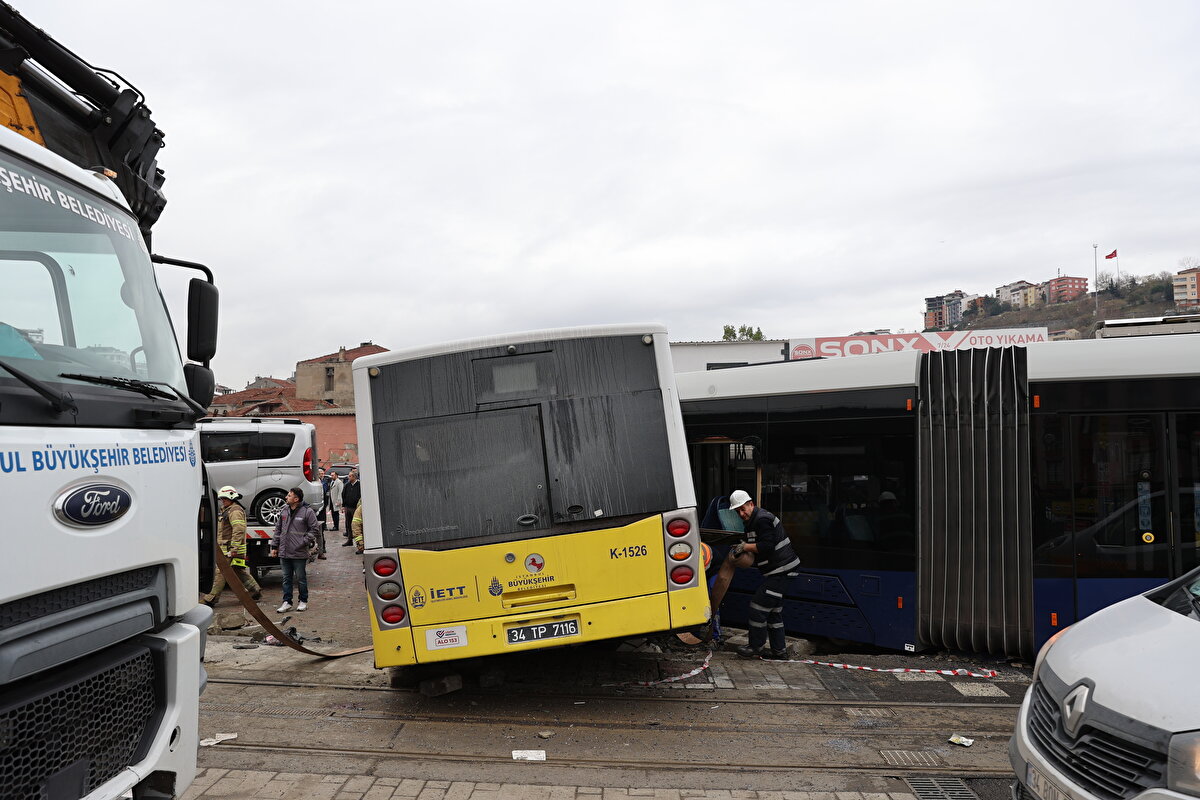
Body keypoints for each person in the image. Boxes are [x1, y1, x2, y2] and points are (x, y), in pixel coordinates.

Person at [727, 489, 801, 660]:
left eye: (743, 509)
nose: (741, 513)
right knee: (773, 612)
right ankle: (779, 652)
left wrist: (744, 548)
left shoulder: (762, 520)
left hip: (782, 571)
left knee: (757, 607)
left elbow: (767, 546)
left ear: (751, 504)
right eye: (737, 511)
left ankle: (755, 646)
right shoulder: (753, 521)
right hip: (781, 571)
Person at [201, 486, 261, 605]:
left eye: (224, 498)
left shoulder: (235, 511)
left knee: (221, 572)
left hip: (230, 549)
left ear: (231, 497)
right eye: (222, 499)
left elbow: (238, 530)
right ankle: (255, 590)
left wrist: (234, 549)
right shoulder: (227, 510)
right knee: (238, 570)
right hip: (229, 548)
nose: (223, 501)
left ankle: (211, 598)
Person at [269, 487, 320, 613]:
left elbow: (314, 529)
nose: (286, 497)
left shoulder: (307, 512)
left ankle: (303, 601)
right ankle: (287, 602)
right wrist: (274, 546)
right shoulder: (284, 511)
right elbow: (278, 530)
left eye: (289, 495)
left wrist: (303, 542)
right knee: (286, 578)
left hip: (299, 552)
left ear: (296, 499)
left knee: (301, 578)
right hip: (284, 551)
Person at [341, 469, 361, 546]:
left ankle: (359, 543)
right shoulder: (347, 485)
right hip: (348, 507)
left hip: (356, 508)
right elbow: (343, 495)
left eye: (350, 476)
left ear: (354, 477)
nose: (348, 477)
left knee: (356, 526)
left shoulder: (359, 485)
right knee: (348, 524)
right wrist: (344, 505)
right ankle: (349, 540)